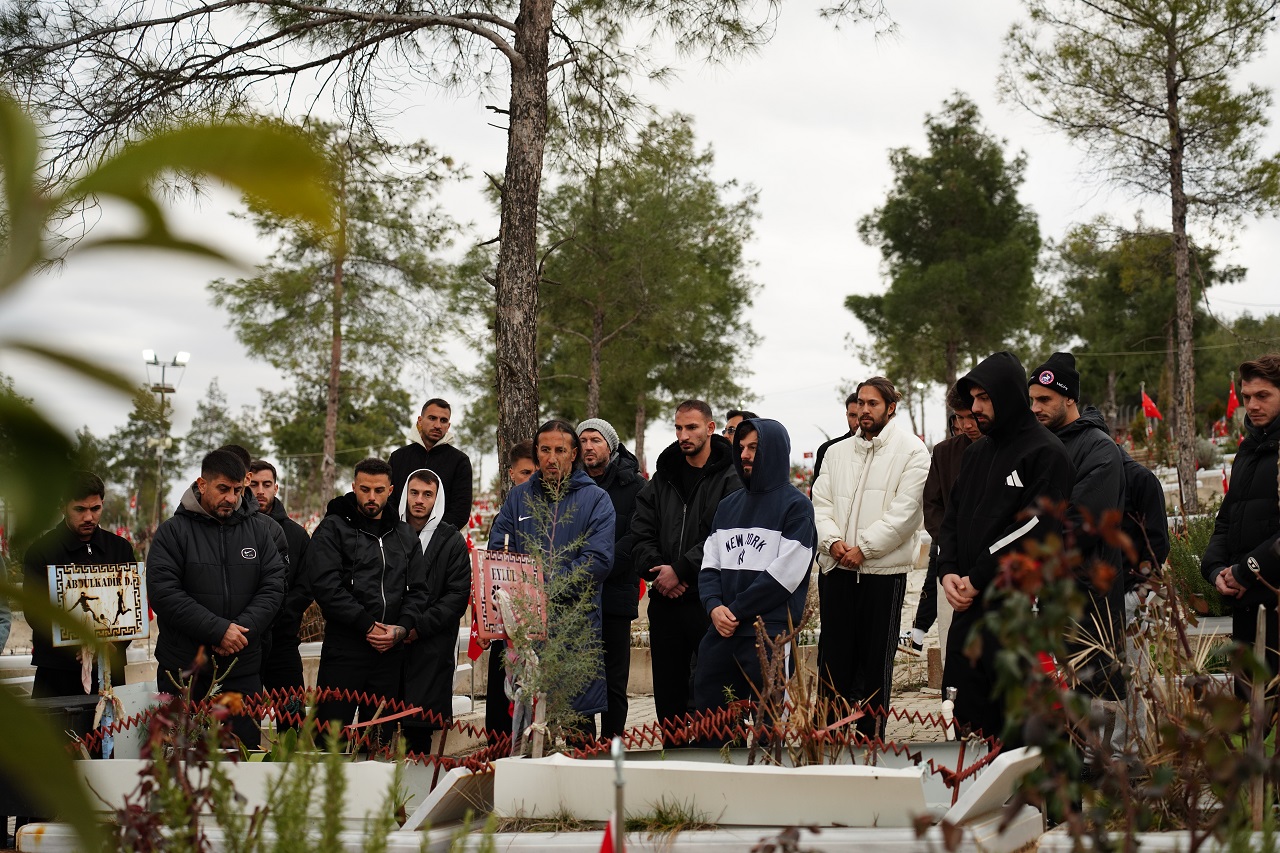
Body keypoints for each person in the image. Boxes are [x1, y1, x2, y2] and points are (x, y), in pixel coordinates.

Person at [939, 352, 1075, 742]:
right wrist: (948, 570)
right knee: (970, 725)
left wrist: (978, 577)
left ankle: (1041, 804)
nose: (975, 408)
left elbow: (1033, 528)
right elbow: (954, 516)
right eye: (972, 399)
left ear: (1009, 395)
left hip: (1019, 615)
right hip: (969, 613)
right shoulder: (977, 452)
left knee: (1029, 732)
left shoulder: (1045, 452)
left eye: (984, 398)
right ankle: (983, 802)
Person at [812, 378, 929, 737]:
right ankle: (827, 736)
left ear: (890, 408)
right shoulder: (836, 453)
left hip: (881, 574)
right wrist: (832, 543)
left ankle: (868, 738)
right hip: (837, 571)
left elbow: (906, 513)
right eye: (860, 403)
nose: (864, 410)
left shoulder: (913, 452)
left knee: (875, 660)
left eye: (872, 404)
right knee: (832, 660)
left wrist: (864, 548)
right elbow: (820, 505)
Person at [148, 450, 287, 747]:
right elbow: (164, 593)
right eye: (223, 489)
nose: (231, 498)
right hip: (184, 672)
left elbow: (274, 586)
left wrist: (240, 629)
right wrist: (217, 630)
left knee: (243, 759)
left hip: (241, 669)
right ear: (202, 484)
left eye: (238, 490)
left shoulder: (259, 532)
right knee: (183, 764)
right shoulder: (172, 533)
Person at [488, 420, 615, 737]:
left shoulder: (595, 500)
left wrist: (542, 585)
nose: (552, 457)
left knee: (573, 731)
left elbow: (596, 562)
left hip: (573, 631)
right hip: (524, 634)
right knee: (523, 730)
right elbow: (499, 551)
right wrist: (523, 591)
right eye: (545, 450)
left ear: (573, 454)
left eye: (560, 450)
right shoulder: (518, 499)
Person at [630, 400, 742, 744]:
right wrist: (659, 572)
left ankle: (722, 757)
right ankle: (675, 754)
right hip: (666, 600)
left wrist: (680, 570)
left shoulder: (730, 477)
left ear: (710, 429)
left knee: (716, 687)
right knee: (669, 691)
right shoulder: (664, 477)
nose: (683, 435)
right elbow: (640, 531)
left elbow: (722, 535)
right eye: (678, 428)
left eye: (691, 427)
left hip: (710, 601)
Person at [694, 418, 815, 720]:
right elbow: (710, 565)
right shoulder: (728, 506)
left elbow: (784, 577)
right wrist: (713, 607)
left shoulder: (796, 507)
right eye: (742, 448)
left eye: (754, 448)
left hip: (769, 634)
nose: (745, 455)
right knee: (712, 721)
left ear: (774, 451)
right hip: (722, 630)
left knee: (770, 725)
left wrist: (733, 610)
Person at [1028, 352, 1128, 705]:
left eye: (1044, 400)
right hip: (1051, 590)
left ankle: (1095, 761)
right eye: (1032, 400)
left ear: (1069, 398)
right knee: (1059, 694)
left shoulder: (1099, 448)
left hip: (1089, 594)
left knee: (1093, 696)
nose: (1035, 408)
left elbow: (1081, 524)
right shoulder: (1040, 446)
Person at [308, 457, 429, 737]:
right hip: (345, 649)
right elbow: (326, 586)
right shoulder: (333, 528)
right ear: (353, 486)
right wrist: (366, 624)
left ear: (390, 490)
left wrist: (401, 628)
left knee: (380, 738)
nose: (371, 497)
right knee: (331, 736)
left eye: (378, 490)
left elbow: (419, 590)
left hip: (389, 652)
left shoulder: (405, 535)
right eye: (364, 489)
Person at [1202, 353, 1280, 715]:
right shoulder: (1248, 450)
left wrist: (1247, 568)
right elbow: (1227, 520)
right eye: (1247, 396)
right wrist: (1216, 568)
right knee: (1252, 712)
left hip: (1274, 603)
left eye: (1262, 395)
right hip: (1246, 608)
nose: (1251, 405)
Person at [23, 472, 135, 700]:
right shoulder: (42, 551)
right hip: (58, 671)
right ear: (64, 507)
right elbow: (35, 612)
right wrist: (77, 646)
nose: (89, 517)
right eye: (80, 509)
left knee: (109, 734)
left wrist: (114, 644)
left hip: (109, 669)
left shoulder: (120, 549)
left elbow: (131, 610)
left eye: (95, 509)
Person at [901, 387, 983, 658]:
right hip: (949, 555)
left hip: (990, 559)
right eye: (958, 418)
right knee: (951, 636)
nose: (965, 425)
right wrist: (947, 542)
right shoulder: (945, 452)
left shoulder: (1007, 450)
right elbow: (932, 504)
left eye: (971, 417)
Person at [397, 468, 472, 753]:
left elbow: (456, 595)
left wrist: (417, 627)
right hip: (390, 645)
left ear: (437, 498)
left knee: (420, 730)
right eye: (414, 493)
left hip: (430, 646)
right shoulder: (390, 532)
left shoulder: (451, 541)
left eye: (427, 494)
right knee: (384, 724)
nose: (419, 500)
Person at [578, 417, 644, 739]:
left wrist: (596, 568)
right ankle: (582, 746)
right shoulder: (572, 484)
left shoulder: (635, 486)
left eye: (596, 440)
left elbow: (636, 537)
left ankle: (612, 744)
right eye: (583, 440)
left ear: (611, 445)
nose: (588, 446)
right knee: (579, 675)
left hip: (615, 595)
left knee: (613, 680)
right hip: (575, 597)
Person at [247, 460, 312, 695]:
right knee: (243, 717)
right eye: (254, 484)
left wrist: (278, 615)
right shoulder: (233, 531)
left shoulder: (296, 534)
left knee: (291, 712)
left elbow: (306, 586)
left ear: (276, 488)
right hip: (244, 642)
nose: (260, 491)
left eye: (267, 484)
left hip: (283, 641)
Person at [389, 399, 474, 530]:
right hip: (399, 539)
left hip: (441, 542)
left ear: (448, 426)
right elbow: (389, 500)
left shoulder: (459, 461)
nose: (438, 425)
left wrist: (433, 537)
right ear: (420, 420)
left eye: (443, 420)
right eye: (432, 418)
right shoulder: (398, 457)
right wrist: (403, 534)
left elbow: (460, 510)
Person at [812, 392, 859, 484]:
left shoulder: (884, 449)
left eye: (861, 416)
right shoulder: (827, 450)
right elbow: (816, 495)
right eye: (853, 415)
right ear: (847, 415)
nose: (857, 422)